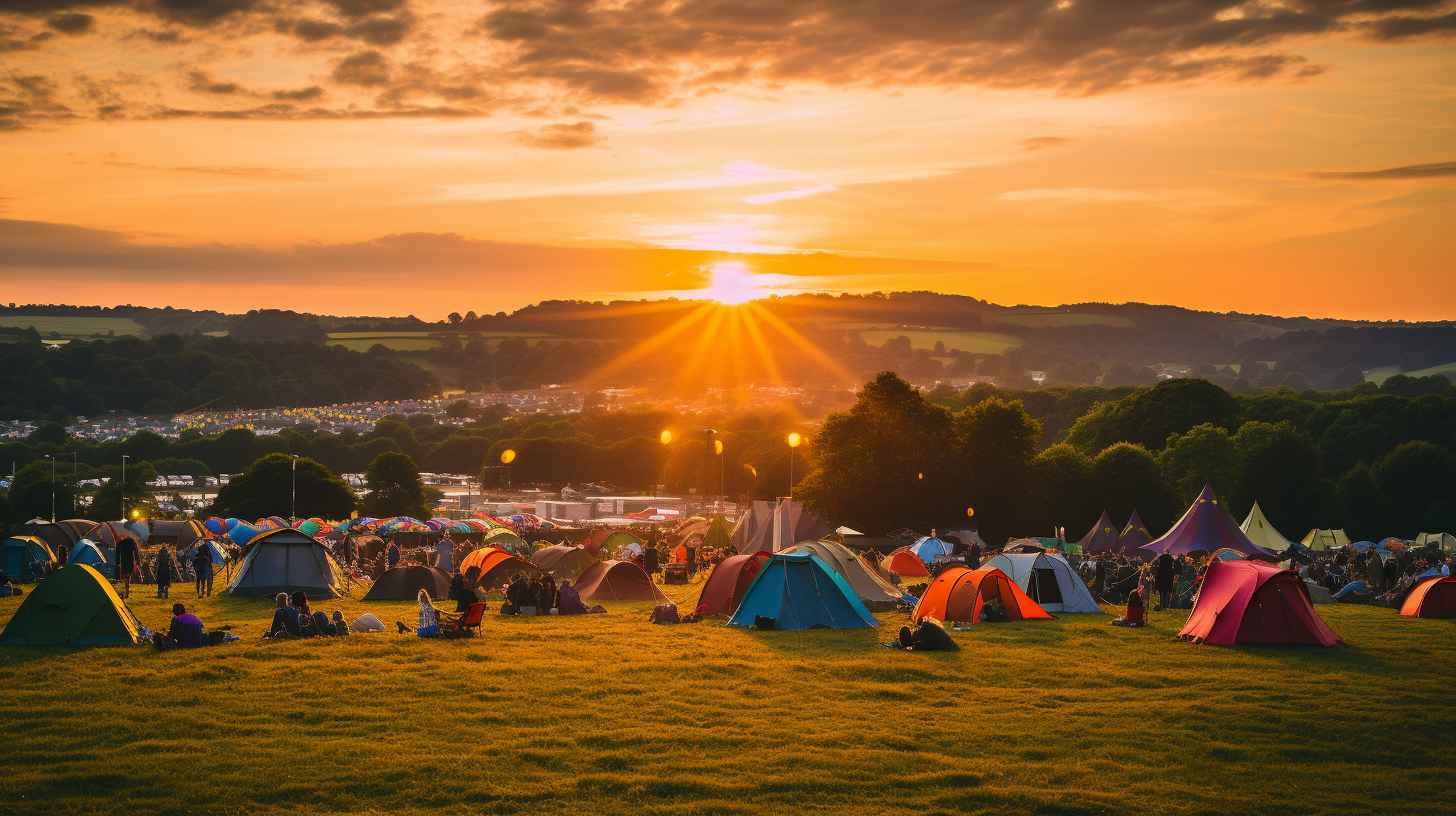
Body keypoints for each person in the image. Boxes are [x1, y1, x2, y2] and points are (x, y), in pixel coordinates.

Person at [114, 532, 138, 599]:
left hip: (123, 562)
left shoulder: (120, 542)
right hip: (129, 562)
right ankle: (126, 592)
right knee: (127, 577)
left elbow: (117, 553)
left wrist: (117, 562)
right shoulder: (131, 541)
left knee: (123, 577)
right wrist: (137, 561)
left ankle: (124, 592)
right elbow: (136, 551)